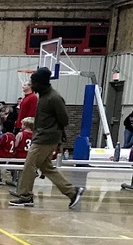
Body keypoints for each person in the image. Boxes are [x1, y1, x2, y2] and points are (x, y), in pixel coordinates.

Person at [10, 67, 84, 209]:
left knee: (29, 166)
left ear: (41, 83)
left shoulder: (54, 97)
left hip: (46, 138)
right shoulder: (43, 96)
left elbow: (64, 120)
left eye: (34, 83)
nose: (32, 85)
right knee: (47, 168)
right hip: (42, 136)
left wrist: (55, 134)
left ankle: (25, 196)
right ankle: (72, 192)